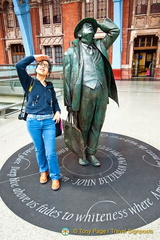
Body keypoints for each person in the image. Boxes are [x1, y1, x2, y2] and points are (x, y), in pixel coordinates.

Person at [63, 17, 120, 167]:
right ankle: (82, 153)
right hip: (84, 95)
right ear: (79, 34)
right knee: (84, 126)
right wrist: (69, 102)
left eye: (91, 26)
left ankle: (91, 152)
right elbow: (67, 80)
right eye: (86, 26)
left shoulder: (101, 45)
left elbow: (115, 31)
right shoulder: (70, 53)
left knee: (97, 125)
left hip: (101, 92)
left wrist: (98, 24)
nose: (90, 27)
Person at [16, 55, 61, 190]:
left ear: (48, 72)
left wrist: (57, 111)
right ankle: (43, 170)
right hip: (33, 121)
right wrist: (34, 57)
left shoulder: (50, 86)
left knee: (51, 152)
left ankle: (55, 176)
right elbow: (19, 66)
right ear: (36, 68)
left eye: (46, 66)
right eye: (40, 64)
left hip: (48, 122)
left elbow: (55, 101)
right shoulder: (28, 82)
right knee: (39, 149)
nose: (42, 66)